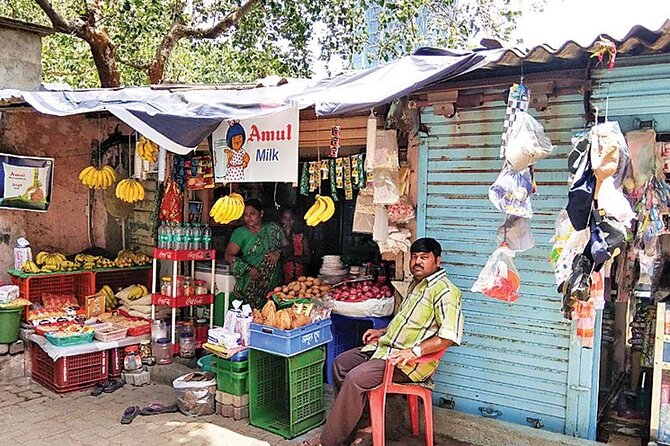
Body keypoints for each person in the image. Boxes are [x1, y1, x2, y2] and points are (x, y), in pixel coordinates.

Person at [302, 237, 463, 446]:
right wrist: (382, 332)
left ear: (437, 261)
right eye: (414, 257)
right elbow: (405, 322)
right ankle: (365, 424)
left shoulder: (446, 291)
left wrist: (413, 351)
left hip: (407, 362)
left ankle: (328, 442)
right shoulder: (417, 285)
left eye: (424, 257)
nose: (417, 262)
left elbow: (448, 337)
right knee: (341, 364)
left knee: (355, 378)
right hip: (386, 348)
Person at [224, 199, 283, 309]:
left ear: (261, 213)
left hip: (273, 285)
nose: (248, 217)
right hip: (250, 284)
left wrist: (278, 253)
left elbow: (288, 247)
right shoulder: (240, 233)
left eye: (252, 213)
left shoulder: (273, 228)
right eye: (245, 214)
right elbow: (228, 256)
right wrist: (248, 268)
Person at [280, 208, 311, 283]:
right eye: (285, 218)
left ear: (295, 220)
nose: (288, 221)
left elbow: (308, 259)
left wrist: (290, 258)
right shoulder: (277, 235)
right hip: (281, 279)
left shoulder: (302, 236)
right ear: (281, 220)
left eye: (291, 218)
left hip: (300, 278)